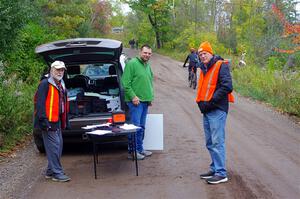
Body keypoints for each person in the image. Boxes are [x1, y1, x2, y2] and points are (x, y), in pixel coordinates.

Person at [196, 41, 234, 184]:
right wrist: (202, 104)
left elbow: (227, 86)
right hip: (207, 110)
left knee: (217, 142)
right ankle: (215, 167)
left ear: (211, 53)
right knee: (210, 142)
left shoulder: (220, 65)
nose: (202, 56)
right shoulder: (204, 68)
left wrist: (211, 102)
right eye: (200, 54)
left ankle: (221, 173)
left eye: (204, 53)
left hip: (217, 109)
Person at [34, 60, 71, 182]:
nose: (60, 72)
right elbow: (39, 104)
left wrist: (66, 120)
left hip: (57, 120)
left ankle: (50, 172)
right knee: (54, 147)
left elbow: (62, 103)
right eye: (57, 69)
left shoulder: (61, 83)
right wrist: (43, 121)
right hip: (48, 121)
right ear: (51, 70)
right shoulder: (45, 84)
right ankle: (57, 173)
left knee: (58, 146)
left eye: (62, 70)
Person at [121, 44, 154, 160]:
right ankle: (133, 151)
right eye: (145, 53)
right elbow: (125, 83)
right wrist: (133, 97)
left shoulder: (147, 65)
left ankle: (140, 149)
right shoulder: (132, 64)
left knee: (141, 127)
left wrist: (150, 98)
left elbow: (149, 82)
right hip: (135, 102)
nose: (147, 55)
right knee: (135, 127)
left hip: (144, 101)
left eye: (149, 53)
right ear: (140, 52)